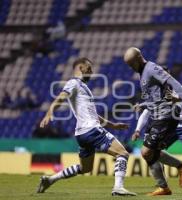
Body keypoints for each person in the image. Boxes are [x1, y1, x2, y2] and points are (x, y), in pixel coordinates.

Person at [36, 58, 136, 196]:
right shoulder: (73, 82)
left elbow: (93, 115)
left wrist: (113, 125)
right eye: (89, 69)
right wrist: (49, 112)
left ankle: (50, 179)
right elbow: (61, 97)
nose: (91, 72)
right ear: (81, 68)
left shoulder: (84, 87)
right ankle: (118, 187)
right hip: (92, 130)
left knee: (85, 168)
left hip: (82, 134)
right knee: (123, 153)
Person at [124, 47, 182, 195]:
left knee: (146, 152)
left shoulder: (152, 68)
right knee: (151, 153)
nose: (131, 67)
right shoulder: (143, 73)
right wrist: (142, 105)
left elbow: (173, 82)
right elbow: (155, 98)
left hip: (165, 116)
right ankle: (167, 184)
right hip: (156, 117)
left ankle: (175, 173)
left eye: (131, 64)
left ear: (138, 58)